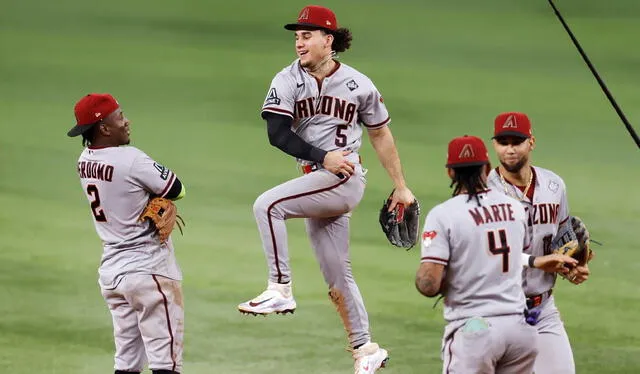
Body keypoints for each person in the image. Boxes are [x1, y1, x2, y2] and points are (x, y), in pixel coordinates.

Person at [237, 5, 416, 373]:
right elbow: (277, 134)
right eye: (296, 37)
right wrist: (323, 156)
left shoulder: (359, 84)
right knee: (337, 275)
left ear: (327, 40)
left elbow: (380, 134)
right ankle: (365, 349)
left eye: (306, 36)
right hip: (318, 179)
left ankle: (280, 288)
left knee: (267, 206)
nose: (299, 43)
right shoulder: (286, 80)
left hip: (344, 178)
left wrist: (401, 186)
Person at [416, 135, 578, 373]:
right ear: (487, 168)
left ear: (450, 173)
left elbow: (429, 284)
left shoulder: (443, 215)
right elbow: (513, 257)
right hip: (519, 327)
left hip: (475, 328)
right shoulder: (514, 209)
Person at [68, 93, 186, 374]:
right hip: (148, 270)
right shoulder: (131, 159)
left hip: (112, 274)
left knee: (126, 364)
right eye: (119, 117)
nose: (126, 121)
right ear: (104, 128)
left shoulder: (84, 160)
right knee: (165, 365)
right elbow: (177, 189)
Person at [487, 111, 590, 374]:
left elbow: (563, 238)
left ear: (531, 142)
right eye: (503, 141)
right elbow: (489, 253)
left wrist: (573, 266)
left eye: (517, 141)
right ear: (495, 144)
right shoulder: (486, 193)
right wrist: (537, 262)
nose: (509, 149)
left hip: (542, 309)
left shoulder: (554, 185)